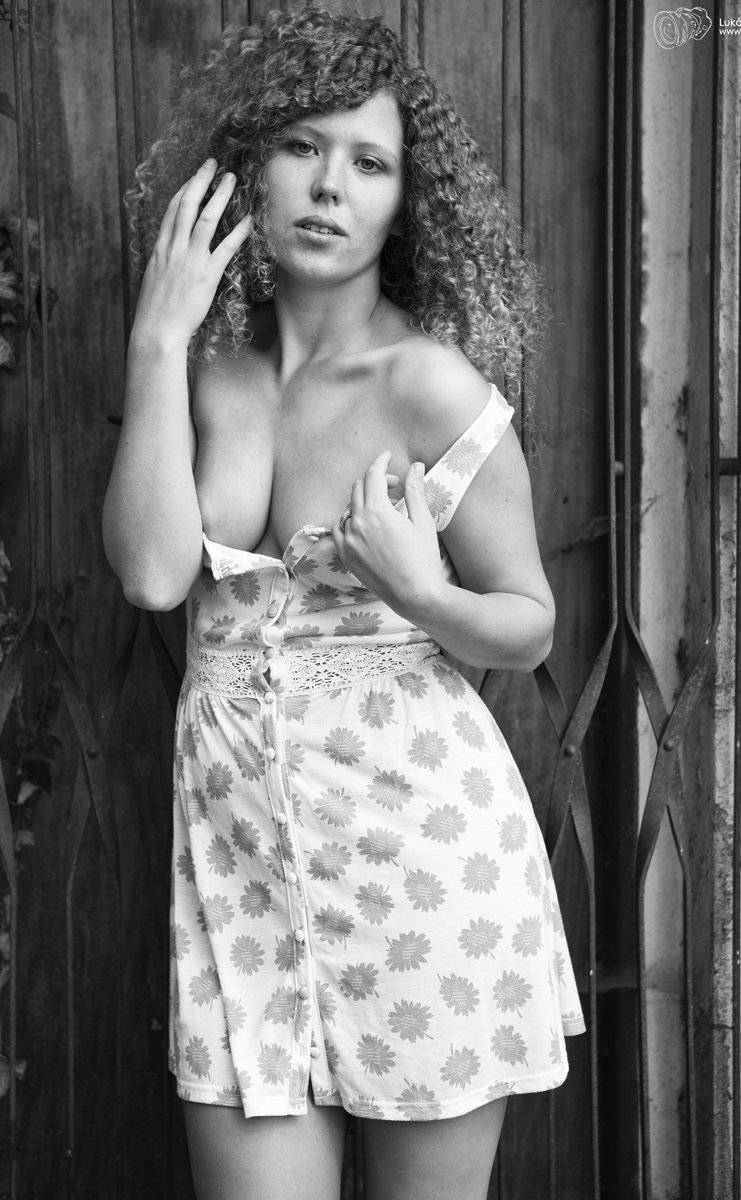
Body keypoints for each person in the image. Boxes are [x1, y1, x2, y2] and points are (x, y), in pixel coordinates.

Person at [103, 8, 585, 1199]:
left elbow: (528, 619)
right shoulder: (208, 372)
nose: (329, 186)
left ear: (403, 203)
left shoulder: (429, 384)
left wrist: (421, 591)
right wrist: (157, 340)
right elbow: (153, 575)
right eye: (300, 147)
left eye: (369, 163)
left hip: (421, 876)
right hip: (241, 881)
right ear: (245, 169)